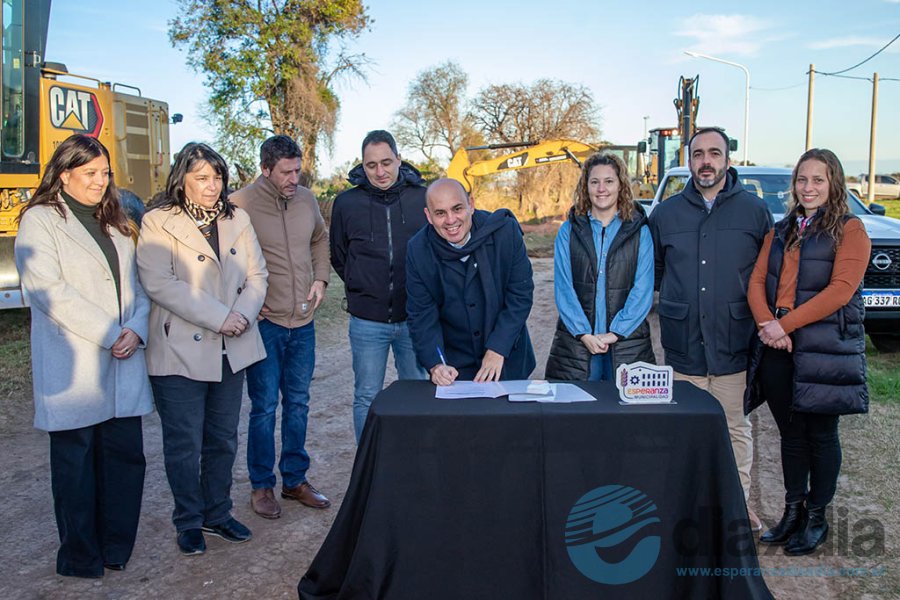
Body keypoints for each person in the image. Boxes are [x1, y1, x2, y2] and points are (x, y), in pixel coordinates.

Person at [14, 134, 152, 577]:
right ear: (65, 173)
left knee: (124, 460)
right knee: (76, 466)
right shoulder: (40, 221)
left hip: (123, 357)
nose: (100, 181)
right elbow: (48, 290)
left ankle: (116, 548)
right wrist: (110, 333)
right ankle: (80, 556)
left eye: (105, 173)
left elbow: (139, 287)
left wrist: (136, 328)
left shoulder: (115, 221)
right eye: (90, 173)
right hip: (76, 363)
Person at [137, 142, 268, 556]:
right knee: (184, 443)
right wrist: (220, 317)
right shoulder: (158, 222)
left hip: (234, 346)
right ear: (183, 179)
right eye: (201, 178)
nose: (212, 187)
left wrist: (243, 315)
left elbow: (257, 274)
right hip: (180, 350)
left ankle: (217, 513)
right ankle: (188, 520)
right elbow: (161, 283)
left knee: (223, 438)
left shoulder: (238, 218)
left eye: (217, 178)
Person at [745, 149, 870, 555]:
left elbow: (840, 291)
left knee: (820, 435)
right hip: (778, 344)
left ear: (834, 183)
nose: (808, 187)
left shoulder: (851, 230)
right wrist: (769, 325)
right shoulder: (782, 230)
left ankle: (817, 517)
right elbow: (757, 280)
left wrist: (786, 324)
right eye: (802, 179)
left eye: (818, 180)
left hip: (822, 348)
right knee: (791, 435)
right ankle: (793, 511)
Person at [649, 128, 773, 531]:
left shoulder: (754, 212)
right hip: (684, 342)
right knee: (685, 429)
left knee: (735, 427)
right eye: (699, 153)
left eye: (714, 153)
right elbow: (657, 272)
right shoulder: (666, 214)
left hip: (734, 343)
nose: (706, 161)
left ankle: (737, 508)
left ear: (727, 160)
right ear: (689, 161)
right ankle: (688, 509)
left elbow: (766, 275)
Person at [230, 135, 331, 519]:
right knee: (265, 406)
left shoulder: (305, 200)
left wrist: (320, 278)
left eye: (297, 170)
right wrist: (242, 301)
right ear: (265, 169)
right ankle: (261, 486)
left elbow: (320, 240)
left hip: (303, 322)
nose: (294, 178)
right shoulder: (239, 204)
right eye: (286, 172)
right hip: (266, 324)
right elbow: (221, 259)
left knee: (299, 403)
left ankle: (294, 480)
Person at [330, 130, 428, 441]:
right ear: (362, 165)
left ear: (399, 159)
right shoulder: (346, 203)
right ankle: (367, 469)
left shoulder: (422, 197)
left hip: (413, 318)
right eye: (371, 165)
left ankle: (415, 459)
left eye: (386, 162)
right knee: (366, 396)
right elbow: (339, 255)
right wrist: (363, 286)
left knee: (417, 391)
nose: (380, 171)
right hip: (367, 320)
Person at [406, 178, 535, 385]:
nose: (450, 220)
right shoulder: (417, 250)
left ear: (471, 205)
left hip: (507, 358)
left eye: (457, 209)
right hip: (455, 367)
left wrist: (498, 348)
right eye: (440, 213)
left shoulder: (505, 232)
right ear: (428, 216)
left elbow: (520, 296)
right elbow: (422, 315)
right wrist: (436, 364)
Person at [545, 153, 655, 380]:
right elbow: (564, 289)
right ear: (586, 187)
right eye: (594, 182)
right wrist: (583, 333)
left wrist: (615, 333)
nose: (601, 188)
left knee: (626, 414)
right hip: (578, 345)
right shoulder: (569, 232)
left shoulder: (640, 232)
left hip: (627, 345)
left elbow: (643, 289)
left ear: (620, 185)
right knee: (578, 412)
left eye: (609, 181)